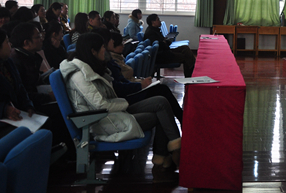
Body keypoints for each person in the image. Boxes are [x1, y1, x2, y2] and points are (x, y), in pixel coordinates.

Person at [60, 33, 181, 168]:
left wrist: (122, 102)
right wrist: (125, 102)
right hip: (102, 121)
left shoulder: (90, 67)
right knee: (159, 114)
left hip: (113, 112)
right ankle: (168, 153)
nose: (105, 50)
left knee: (161, 101)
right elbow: (101, 104)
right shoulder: (79, 75)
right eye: (102, 47)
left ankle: (170, 150)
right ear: (93, 51)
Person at [94, 29, 183, 123]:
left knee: (162, 90)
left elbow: (122, 81)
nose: (113, 41)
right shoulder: (107, 62)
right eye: (111, 39)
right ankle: (183, 120)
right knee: (162, 92)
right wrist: (140, 85)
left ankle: (182, 121)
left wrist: (140, 83)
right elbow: (118, 87)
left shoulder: (109, 59)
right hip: (124, 99)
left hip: (127, 92)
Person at [0, 29, 35, 138]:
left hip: (17, 114)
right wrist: (4, 110)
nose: (10, 44)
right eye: (6, 42)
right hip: (3, 119)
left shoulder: (8, 62)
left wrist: (28, 104)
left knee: (45, 121)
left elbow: (20, 87)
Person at [9, 22, 53, 108]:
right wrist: (49, 97)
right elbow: (23, 93)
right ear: (26, 43)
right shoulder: (16, 61)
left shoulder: (30, 56)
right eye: (38, 37)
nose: (41, 39)